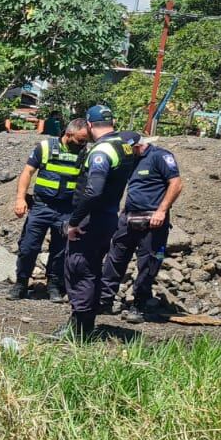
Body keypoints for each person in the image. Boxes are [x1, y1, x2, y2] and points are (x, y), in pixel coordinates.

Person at [59, 105, 139, 339]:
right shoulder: (123, 146)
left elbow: (93, 191)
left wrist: (74, 222)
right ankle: (85, 325)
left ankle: (78, 331)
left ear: (90, 125)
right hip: (108, 218)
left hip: (90, 221)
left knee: (79, 269)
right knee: (92, 270)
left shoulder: (102, 151)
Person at [100, 138, 184, 323]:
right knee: (115, 257)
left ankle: (139, 304)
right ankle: (104, 300)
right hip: (129, 217)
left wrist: (161, 211)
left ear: (137, 146)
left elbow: (176, 184)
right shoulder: (131, 160)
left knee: (148, 263)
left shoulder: (159, 156)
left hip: (153, 219)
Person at [9, 118, 90, 302]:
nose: (83, 144)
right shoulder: (45, 148)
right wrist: (20, 198)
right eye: (80, 140)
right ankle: (21, 283)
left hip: (67, 209)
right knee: (28, 247)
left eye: (85, 140)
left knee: (61, 250)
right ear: (68, 134)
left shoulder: (85, 153)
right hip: (42, 206)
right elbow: (27, 172)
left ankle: (53, 285)